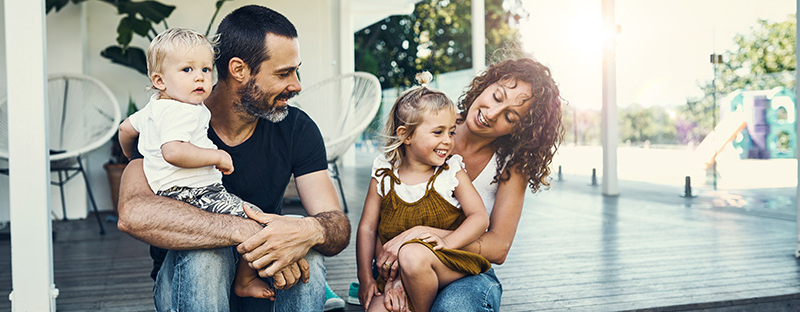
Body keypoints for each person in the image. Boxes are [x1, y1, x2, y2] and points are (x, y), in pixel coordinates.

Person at [116, 5, 350, 312]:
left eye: (296, 70)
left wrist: (309, 231)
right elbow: (133, 212)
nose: (296, 85)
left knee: (303, 242)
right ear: (239, 70)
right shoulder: (169, 118)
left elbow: (336, 224)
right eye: (284, 73)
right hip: (188, 286)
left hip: (261, 283)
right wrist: (243, 230)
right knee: (207, 253)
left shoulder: (296, 128)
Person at [373, 58, 564, 311]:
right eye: (497, 97)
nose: (492, 114)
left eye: (509, 116)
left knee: (453, 307)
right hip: (400, 261)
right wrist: (392, 275)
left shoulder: (511, 165)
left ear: (519, 129)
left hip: (468, 271)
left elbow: (499, 247)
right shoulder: (427, 122)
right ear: (485, 84)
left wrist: (419, 236)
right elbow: (379, 215)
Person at [117, 27, 275, 300]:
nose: (200, 76)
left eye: (205, 69)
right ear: (159, 80)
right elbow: (174, 152)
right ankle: (245, 281)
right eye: (187, 70)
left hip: (169, 195)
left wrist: (134, 156)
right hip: (196, 193)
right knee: (256, 220)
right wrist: (218, 156)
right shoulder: (182, 111)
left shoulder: (154, 108)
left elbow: (124, 130)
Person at [356, 72, 491, 312]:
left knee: (412, 255)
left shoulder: (451, 171)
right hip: (393, 272)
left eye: (451, 132)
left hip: (446, 263)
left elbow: (479, 217)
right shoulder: (384, 173)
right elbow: (368, 227)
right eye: (438, 132)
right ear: (405, 135)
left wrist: (446, 242)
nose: (448, 141)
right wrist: (366, 277)